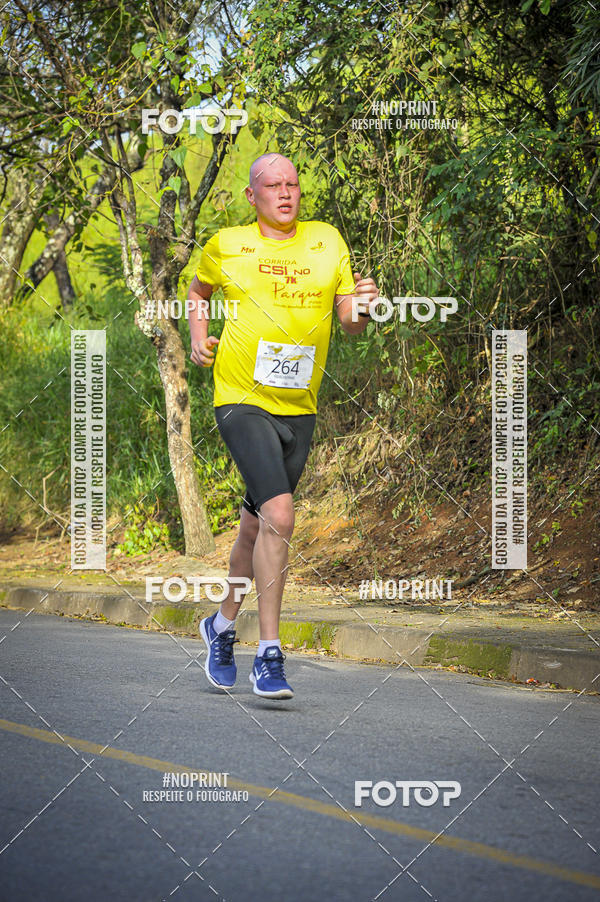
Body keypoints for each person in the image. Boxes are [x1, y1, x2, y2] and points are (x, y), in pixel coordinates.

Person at [188, 152, 378, 699]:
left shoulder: (326, 242)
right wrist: (200, 337)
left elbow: (350, 326)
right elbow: (198, 294)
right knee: (280, 513)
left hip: (301, 405)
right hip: (240, 397)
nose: (285, 192)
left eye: (292, 184)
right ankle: (268, 654)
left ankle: (220, 626)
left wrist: (363, 306)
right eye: (272, 185)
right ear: (253, 196)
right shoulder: (227, 245)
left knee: (257, 525)